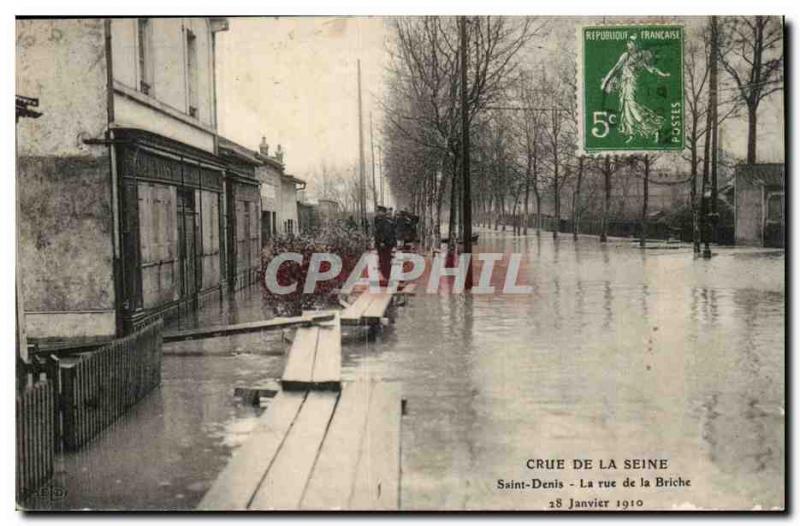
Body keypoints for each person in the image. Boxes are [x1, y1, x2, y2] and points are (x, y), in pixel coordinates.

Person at [600, 35, 670, 144]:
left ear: (636, 44)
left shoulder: (641, 56)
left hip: (632, 85)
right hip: (624, 84)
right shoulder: (625, 56)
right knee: (625, 108)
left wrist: (663, 74)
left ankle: (654, 129)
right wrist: (605, 82)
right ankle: (631, 133)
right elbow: (615, 68)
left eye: (630, 42)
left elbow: (651, 69)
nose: (628, 44)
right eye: (628, 42)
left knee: (631, 106)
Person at [374, 206, 396, 286]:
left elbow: (385, 232)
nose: (377, 213)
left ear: (382, 212)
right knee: (384, 260)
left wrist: (382, 241)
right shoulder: (381, 220)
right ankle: (386, 277)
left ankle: (386, 277)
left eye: (379, 211)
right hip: (383, 245)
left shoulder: (384, 221)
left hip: (384, 245)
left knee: (384, 261)